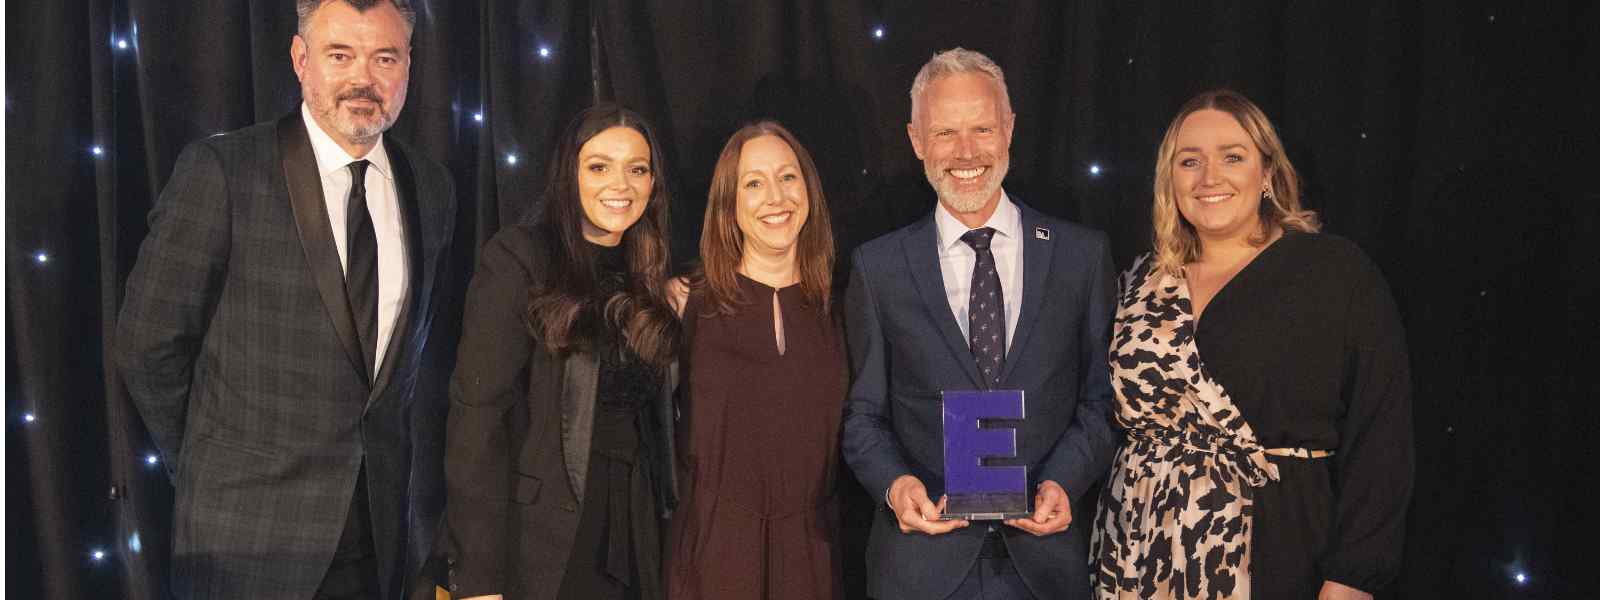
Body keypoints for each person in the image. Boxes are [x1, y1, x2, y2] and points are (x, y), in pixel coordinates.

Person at [114, 1, 455, 598]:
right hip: (245, 543)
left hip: (379, 545)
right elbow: (148, 346)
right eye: (339, 55)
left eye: (384, 57)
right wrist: (208, 467)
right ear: (301, 61)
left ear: (408, 66)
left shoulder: (431, 187)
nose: (363, 80)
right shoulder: (222, 171)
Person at [1090, 89, 1413, 599]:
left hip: (1280, 548)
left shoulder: (1333, 271)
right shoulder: (1142, 281)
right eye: (1189, 161)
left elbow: (1382, 431)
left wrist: (1354, 573)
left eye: (1232, 157)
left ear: (1267, 173)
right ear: (1169, 181)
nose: (1209, 178)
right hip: (1137, 550)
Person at [841, 47, 1118, 600]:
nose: (965, 152)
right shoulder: (877, 267)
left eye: (982, 128)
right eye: (944, 133)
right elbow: (863, 416)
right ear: (917, 140)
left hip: (1046, 566)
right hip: (922, 566)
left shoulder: (1081, 256)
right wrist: (897, 488)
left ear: (1009, 128)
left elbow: (1101, 401)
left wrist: (1066, 479)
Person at [443, 105, 682, 600]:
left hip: (631, 531)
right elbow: (477, 419)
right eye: (599, 166)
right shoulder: (519, 258)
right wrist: (479, 578)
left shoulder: (648, 277)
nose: (620, 184)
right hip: (541, 540)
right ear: (568, 174)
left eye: (637, 168)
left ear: (653, 182)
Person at [665, 122, 846, 599]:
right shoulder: (685, 305)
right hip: (710, 555)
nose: (775, 197)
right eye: (753, 182)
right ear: (729, 203)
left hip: (815, 559)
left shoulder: (844, 312)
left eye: (788, 177)